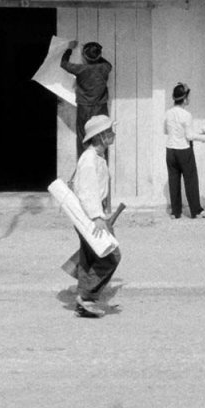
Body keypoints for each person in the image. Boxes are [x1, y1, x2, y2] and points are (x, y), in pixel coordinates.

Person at [71, 114, 121, 318]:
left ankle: (85, 301)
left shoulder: (96, 157)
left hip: (92, 213)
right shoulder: (89, 160)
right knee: (111, 256)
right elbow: (87, 191)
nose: (113, 134)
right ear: (101, 136)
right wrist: (97, 217)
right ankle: (85, 296)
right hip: (89, 215)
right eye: (110, 131)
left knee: (90, 257)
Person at [164, 83, 205, 220]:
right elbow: (189, 136)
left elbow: (166, 131)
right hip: (184, 151)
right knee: (191, 181)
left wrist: (199, 133)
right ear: (185, 98)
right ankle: (196, 211)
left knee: (173, 181)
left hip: (170, 150)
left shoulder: (168, 113)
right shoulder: (186, 115)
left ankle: (175, 213)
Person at [61, 40, 112, 157]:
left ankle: (83, 164)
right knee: (103, 136)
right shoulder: (105, 67)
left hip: (84, 107)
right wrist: (97, 56)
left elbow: (63, 63)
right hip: (100, 107)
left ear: (84, 56)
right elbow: (108, 64)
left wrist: (69, 49)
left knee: (83, 138)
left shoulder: (80, 69)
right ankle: (102, 165)